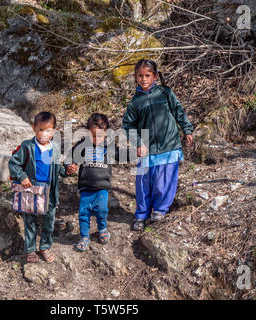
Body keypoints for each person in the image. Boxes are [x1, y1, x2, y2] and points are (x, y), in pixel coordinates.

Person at [122, 59, 194, 231]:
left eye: (148, 75)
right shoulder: (135, 102)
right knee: (143, 183)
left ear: (154, 76)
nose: (144, 79)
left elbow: (178, 111)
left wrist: (187, 130)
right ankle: (141, 215)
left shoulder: (165, 93)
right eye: (140, 76)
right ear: (135, 77)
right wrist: (138, 143)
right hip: (146, 149)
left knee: (165, 181)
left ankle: (160, 211)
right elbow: (128, 125)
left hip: (169, 145)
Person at [8, 111, 68, 263]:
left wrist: (67, 171)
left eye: (48, 130)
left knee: (49, 219)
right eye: (41, 129)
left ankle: (45, 246)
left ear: (54, 131)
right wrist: (22, 177)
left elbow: (57, 169)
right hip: (31, 190)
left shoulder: (53, 148)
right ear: (34, 128)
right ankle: (30, 249)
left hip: (49, 190)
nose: (44, 134)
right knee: (30, 220)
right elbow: (13, 163)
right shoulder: (27, 147)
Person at [65, 113, 129, 252]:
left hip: (102, 187)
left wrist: (135, 152)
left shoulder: (109, 145)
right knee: (83, 212)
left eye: (100, 136)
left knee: (101, 210)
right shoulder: (83, 144)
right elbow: (70, 157)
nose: (97, 139)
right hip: (85, 187)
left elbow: (122, 155)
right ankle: (84, 236)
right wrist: (70, 165)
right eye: (93, 136)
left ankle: (102, 228)